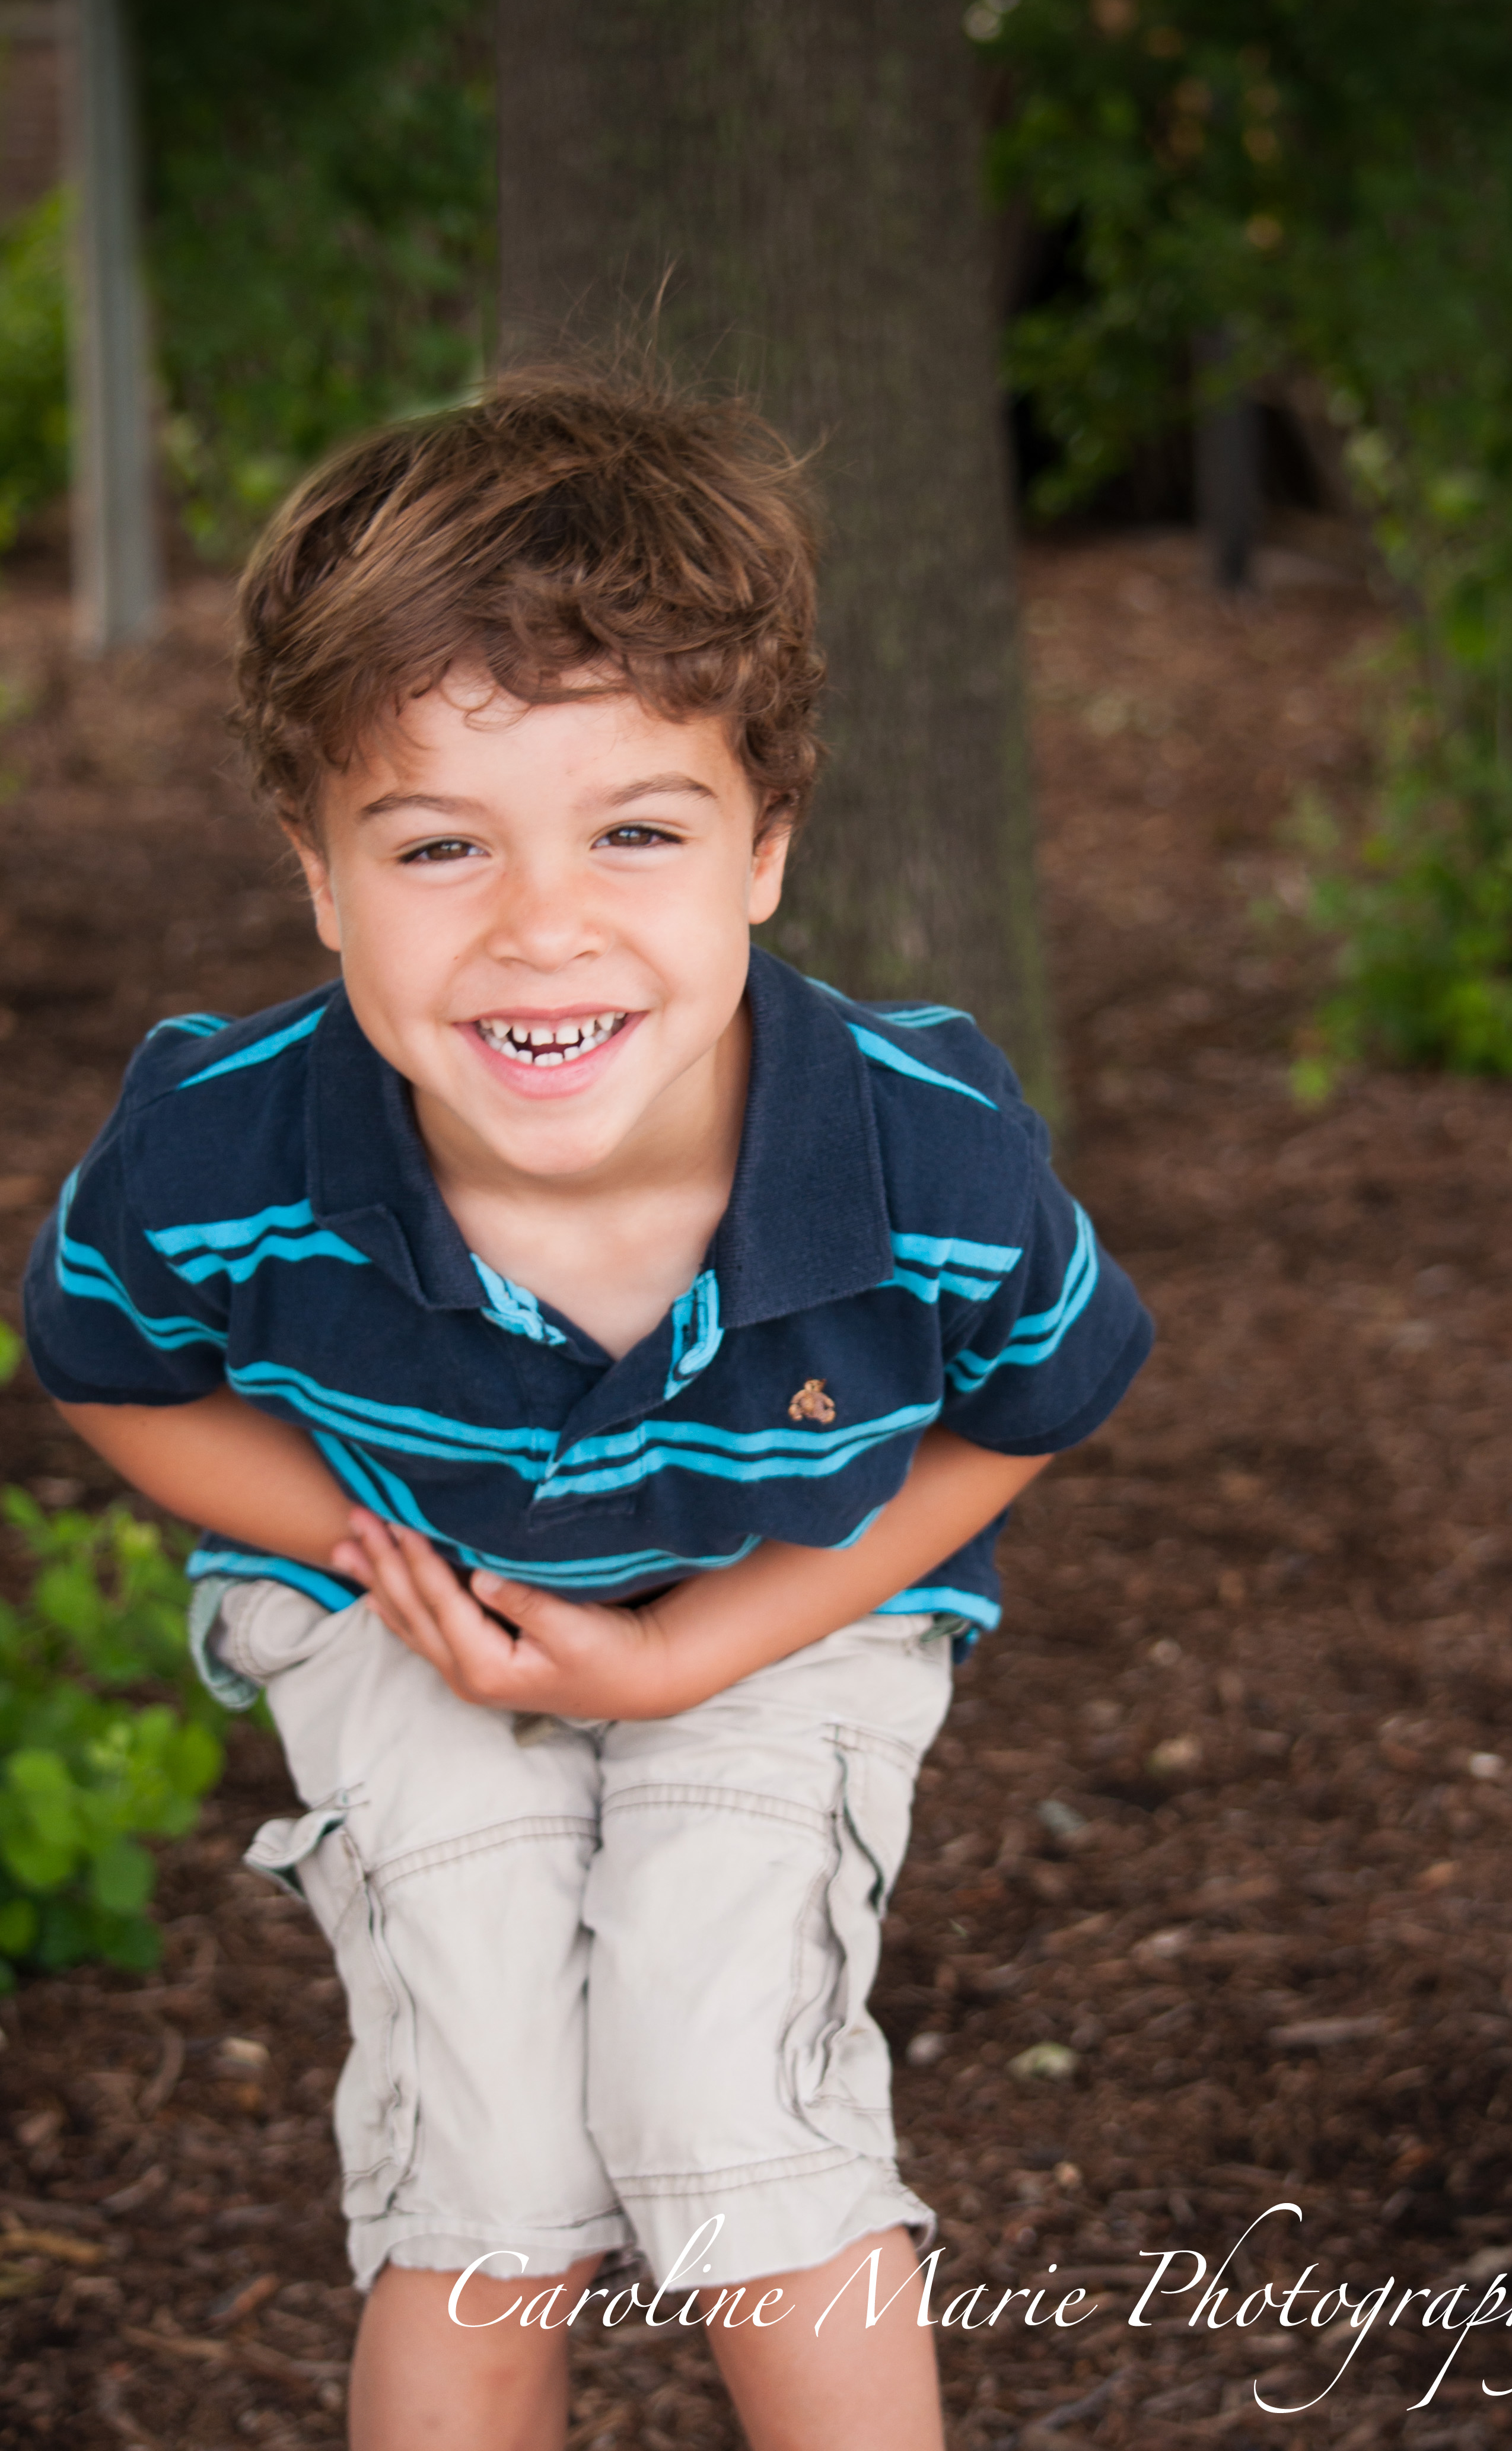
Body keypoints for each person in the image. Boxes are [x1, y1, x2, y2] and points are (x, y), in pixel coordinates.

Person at [23, 374, 1153, 2451]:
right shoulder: (213, 1148)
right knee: (492, 2178)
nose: (542, 925)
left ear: (765, 846)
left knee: (726, 2116)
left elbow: (1032, 1409)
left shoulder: (926, 1153)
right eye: (439, 844)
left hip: (783, 1596)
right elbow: (105, 1367)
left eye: (636, 830)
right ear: (318, 871)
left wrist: (687, 1657)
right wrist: (378, 1554)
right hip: (406, 1606)